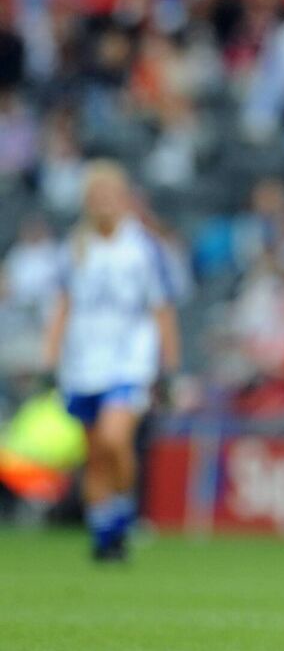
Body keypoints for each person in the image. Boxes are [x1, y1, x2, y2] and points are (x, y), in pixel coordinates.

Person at [42, 161, 180, 561]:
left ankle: (122, 514)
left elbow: (163, 310)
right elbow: (63, 308)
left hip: (128, 359)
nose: (102, 203)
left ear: (123, 200)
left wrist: (168, 366)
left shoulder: (142, 247)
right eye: (95, 196)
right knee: (95, 454)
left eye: (109, 195)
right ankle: (105, 533)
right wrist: (50, 358)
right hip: (83, 362)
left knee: (115, 438)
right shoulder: (74, 248)